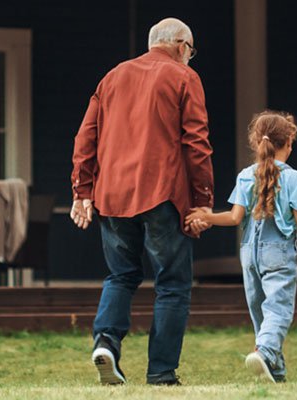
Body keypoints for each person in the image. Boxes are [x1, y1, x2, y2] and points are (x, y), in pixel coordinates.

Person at [69, 17, 213, 386]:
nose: (190, 58)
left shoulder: (112, 76)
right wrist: (202, 201)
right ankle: (161, 373)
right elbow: (196, 143)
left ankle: (106, 342)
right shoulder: (184, 77)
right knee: (172, 284)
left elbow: (85, 137)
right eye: (190, 51)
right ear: (181, 45)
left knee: (121, 275)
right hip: (162, 193)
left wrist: (82, 191)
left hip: (112, 195)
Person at [187, 110, 297, 383]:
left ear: (256, 142)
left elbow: (235, 218)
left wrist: (207, 216)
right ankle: (266, 349)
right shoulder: (295, 179)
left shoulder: (246, 175)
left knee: (260, 309)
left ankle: (275, 367)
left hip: (249, 253)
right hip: (278, 253)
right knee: (279, 309)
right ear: (289, 143)